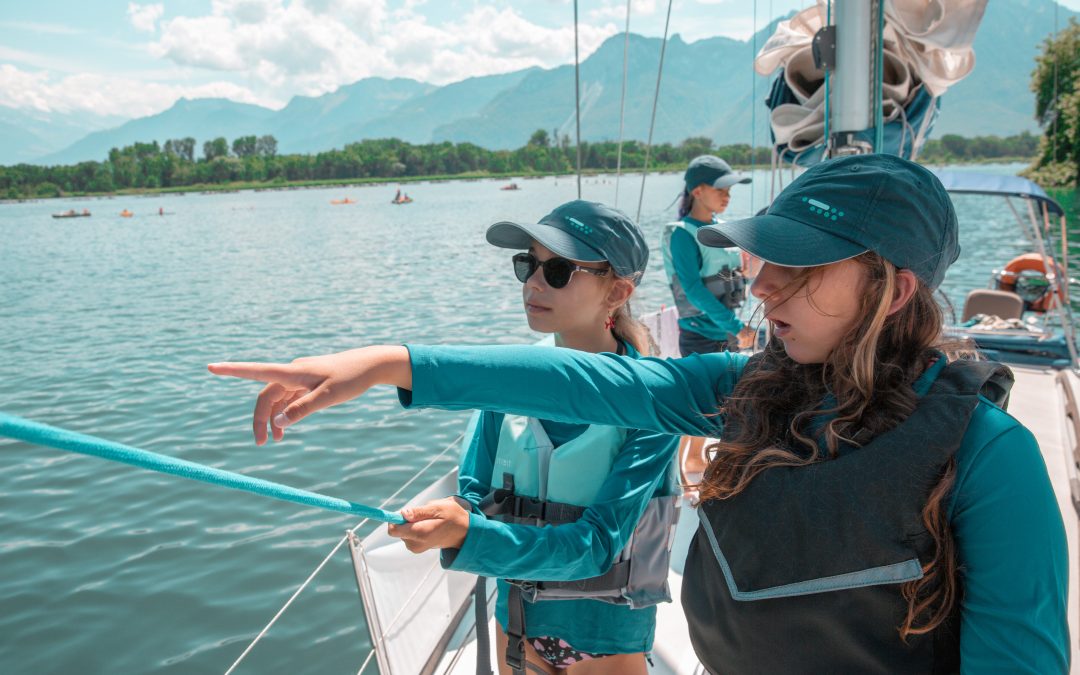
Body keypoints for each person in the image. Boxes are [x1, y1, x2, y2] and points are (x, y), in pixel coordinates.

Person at [210, 155, 1070, 673]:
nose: (762, 283)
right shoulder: (752, 388)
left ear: (895, 287)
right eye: (767, 257)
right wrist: (388, 363)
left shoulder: (988, 460)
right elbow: (601, 385)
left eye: (801, 268)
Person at [397, 201, 679, 674]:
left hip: (604, 639)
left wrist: (472, 536)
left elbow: (597, 545)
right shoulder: (507, 382)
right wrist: (448, 517)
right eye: (528, 264)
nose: (533, 282)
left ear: (619, 292)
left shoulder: (654, 402)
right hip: (517, 625)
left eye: (559, 270)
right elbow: (474, 494)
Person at [663, 155, 757, 355]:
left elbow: (733, 277)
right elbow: (694, 290)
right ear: (697, 191)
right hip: (700, 338)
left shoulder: (725, 230)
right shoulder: (683, 234)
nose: (727, 196)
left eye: (729, 191)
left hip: (728, 333)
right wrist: (738, 327)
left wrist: (746, 273)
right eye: (720, 190)